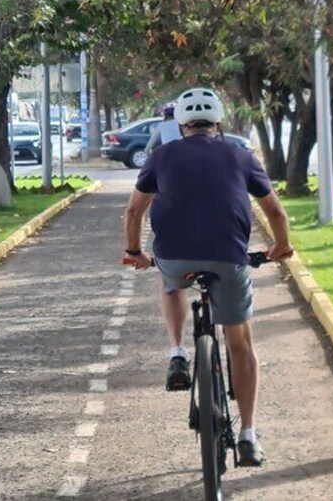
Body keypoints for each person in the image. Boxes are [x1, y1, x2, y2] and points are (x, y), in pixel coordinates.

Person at [122, 87, 293, 467]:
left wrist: (135, 253)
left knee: (169, 282)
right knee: (241, 343)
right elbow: (276, 214)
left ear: (180, 125)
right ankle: (248, 435)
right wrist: (280, 247)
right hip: (228, 258)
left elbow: (133, 213)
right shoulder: (241, 156)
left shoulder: (160, 156)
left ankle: (178, 353)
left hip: (173, 256)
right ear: (219, 124)